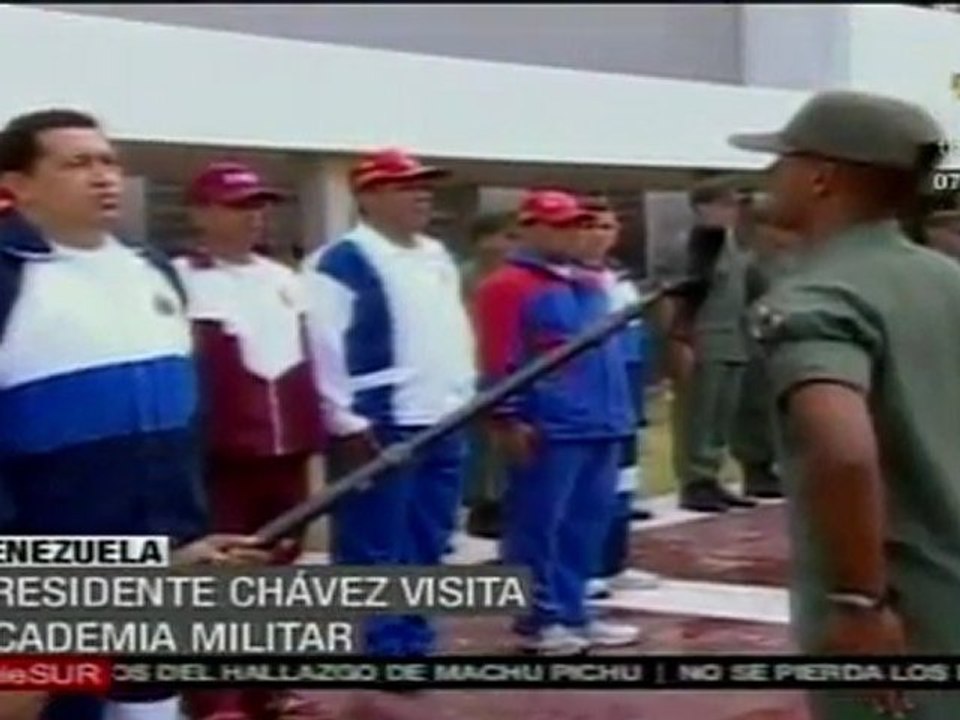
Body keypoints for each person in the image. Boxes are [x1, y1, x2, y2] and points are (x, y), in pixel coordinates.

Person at [0, 110, 279, 720]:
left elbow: (180, 427)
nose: (102, 177)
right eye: (76, 164)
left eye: (108, 162)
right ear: (18, 185)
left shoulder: (151, 268)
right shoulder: (9, 279)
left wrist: (189, 539)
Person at [733, 89, 959, 719]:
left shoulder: (817, 296)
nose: (772, 175)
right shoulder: (945, 278)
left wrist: (860, 604)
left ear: (822, 177)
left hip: (908, 620)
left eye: (784, 160)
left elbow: (842, 449)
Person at [302, 148, 475, 658]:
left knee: (429, 536)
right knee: (377, 541)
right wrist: (344, 419)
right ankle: (384, 646)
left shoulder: (436, 254)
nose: (422, 195)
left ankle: (415, 638)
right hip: (380, 420)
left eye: (425, 186)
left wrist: (463, 394)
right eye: (406, 186)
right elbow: (323, 345)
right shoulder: (341, 260)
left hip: (443, 416)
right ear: (369, 196)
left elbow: (451, 330)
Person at [173, 161, 327, 720]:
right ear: (200, 213)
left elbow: (311, 359)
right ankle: (217, 698)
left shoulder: (284, 279)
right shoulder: (178, 278)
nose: (254, 217)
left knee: (279, 573)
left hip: (287, 453)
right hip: (218, 456)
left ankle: (271, 685)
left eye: (258, 205)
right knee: (221, 577)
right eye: (238, 206)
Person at [473, 189, 640, 656]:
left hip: (601, 422)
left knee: (585, 525)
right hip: (550, 426)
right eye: (559, 225)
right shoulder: (508, 286)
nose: (572, 233)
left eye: (575, 224)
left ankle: (574, 610)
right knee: (539, 526)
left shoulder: (589, 283)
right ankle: (539, 618)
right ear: (528, 227)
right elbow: (497, 356)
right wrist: (507, 417)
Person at [572, 196, 660, 601]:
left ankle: (614, 562)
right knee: (590, 489)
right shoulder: (570, 279)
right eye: (591, 227)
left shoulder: (619, 278)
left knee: (624, 485)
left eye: (607, 228)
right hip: (589, 395)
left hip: (626, 390)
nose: (600, 236)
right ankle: (584, 568)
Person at [670, 177, 757, 513]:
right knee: (699, 414)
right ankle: (695, 479)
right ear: (702, 207)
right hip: (704, 337)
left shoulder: (731, 244)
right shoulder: (693, 245)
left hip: (733, 338)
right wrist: (679, 340)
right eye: (724, 204)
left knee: (722, 414)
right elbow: (677, 298)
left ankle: (713, 475)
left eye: (734, 205)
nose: (732, 212)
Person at [729, 206, 798, 499]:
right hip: (757, 343)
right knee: (756, 409)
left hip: (786, 344)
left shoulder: (792, 263)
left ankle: (774, 464)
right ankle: (755, 468)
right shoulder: (752, 265)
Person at [461, 212, 518, 540]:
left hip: (511, 363)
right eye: (506, 236)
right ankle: (482, 504)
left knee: (504, 439)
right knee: (482, 441)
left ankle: (502, 499)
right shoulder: (465, 276)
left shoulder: (516, 276)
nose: (511, 245)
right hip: (476, 365)